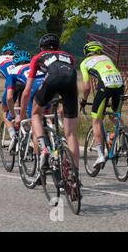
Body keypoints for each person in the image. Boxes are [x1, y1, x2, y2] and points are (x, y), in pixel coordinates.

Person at [17, 34, 79, 173]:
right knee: (71, 135)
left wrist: (21, 116)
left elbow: (26, 92)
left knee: (35, 113)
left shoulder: (38, 57)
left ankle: (44, 149)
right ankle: (75, 175)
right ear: (59, 47)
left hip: (52, 79)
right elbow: (70, 81)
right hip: (71, 82)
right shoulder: (69, 57)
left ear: (41, 48)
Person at [80, 41, 125, 168]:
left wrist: (84, 100)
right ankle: (124, 141)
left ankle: (100, 156)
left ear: (87, 52)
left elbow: (87, 87)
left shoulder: (84, 63)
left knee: (96, 120)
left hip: (105, 86)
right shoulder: (107, 58)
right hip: (120, 85)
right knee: (114, 115)